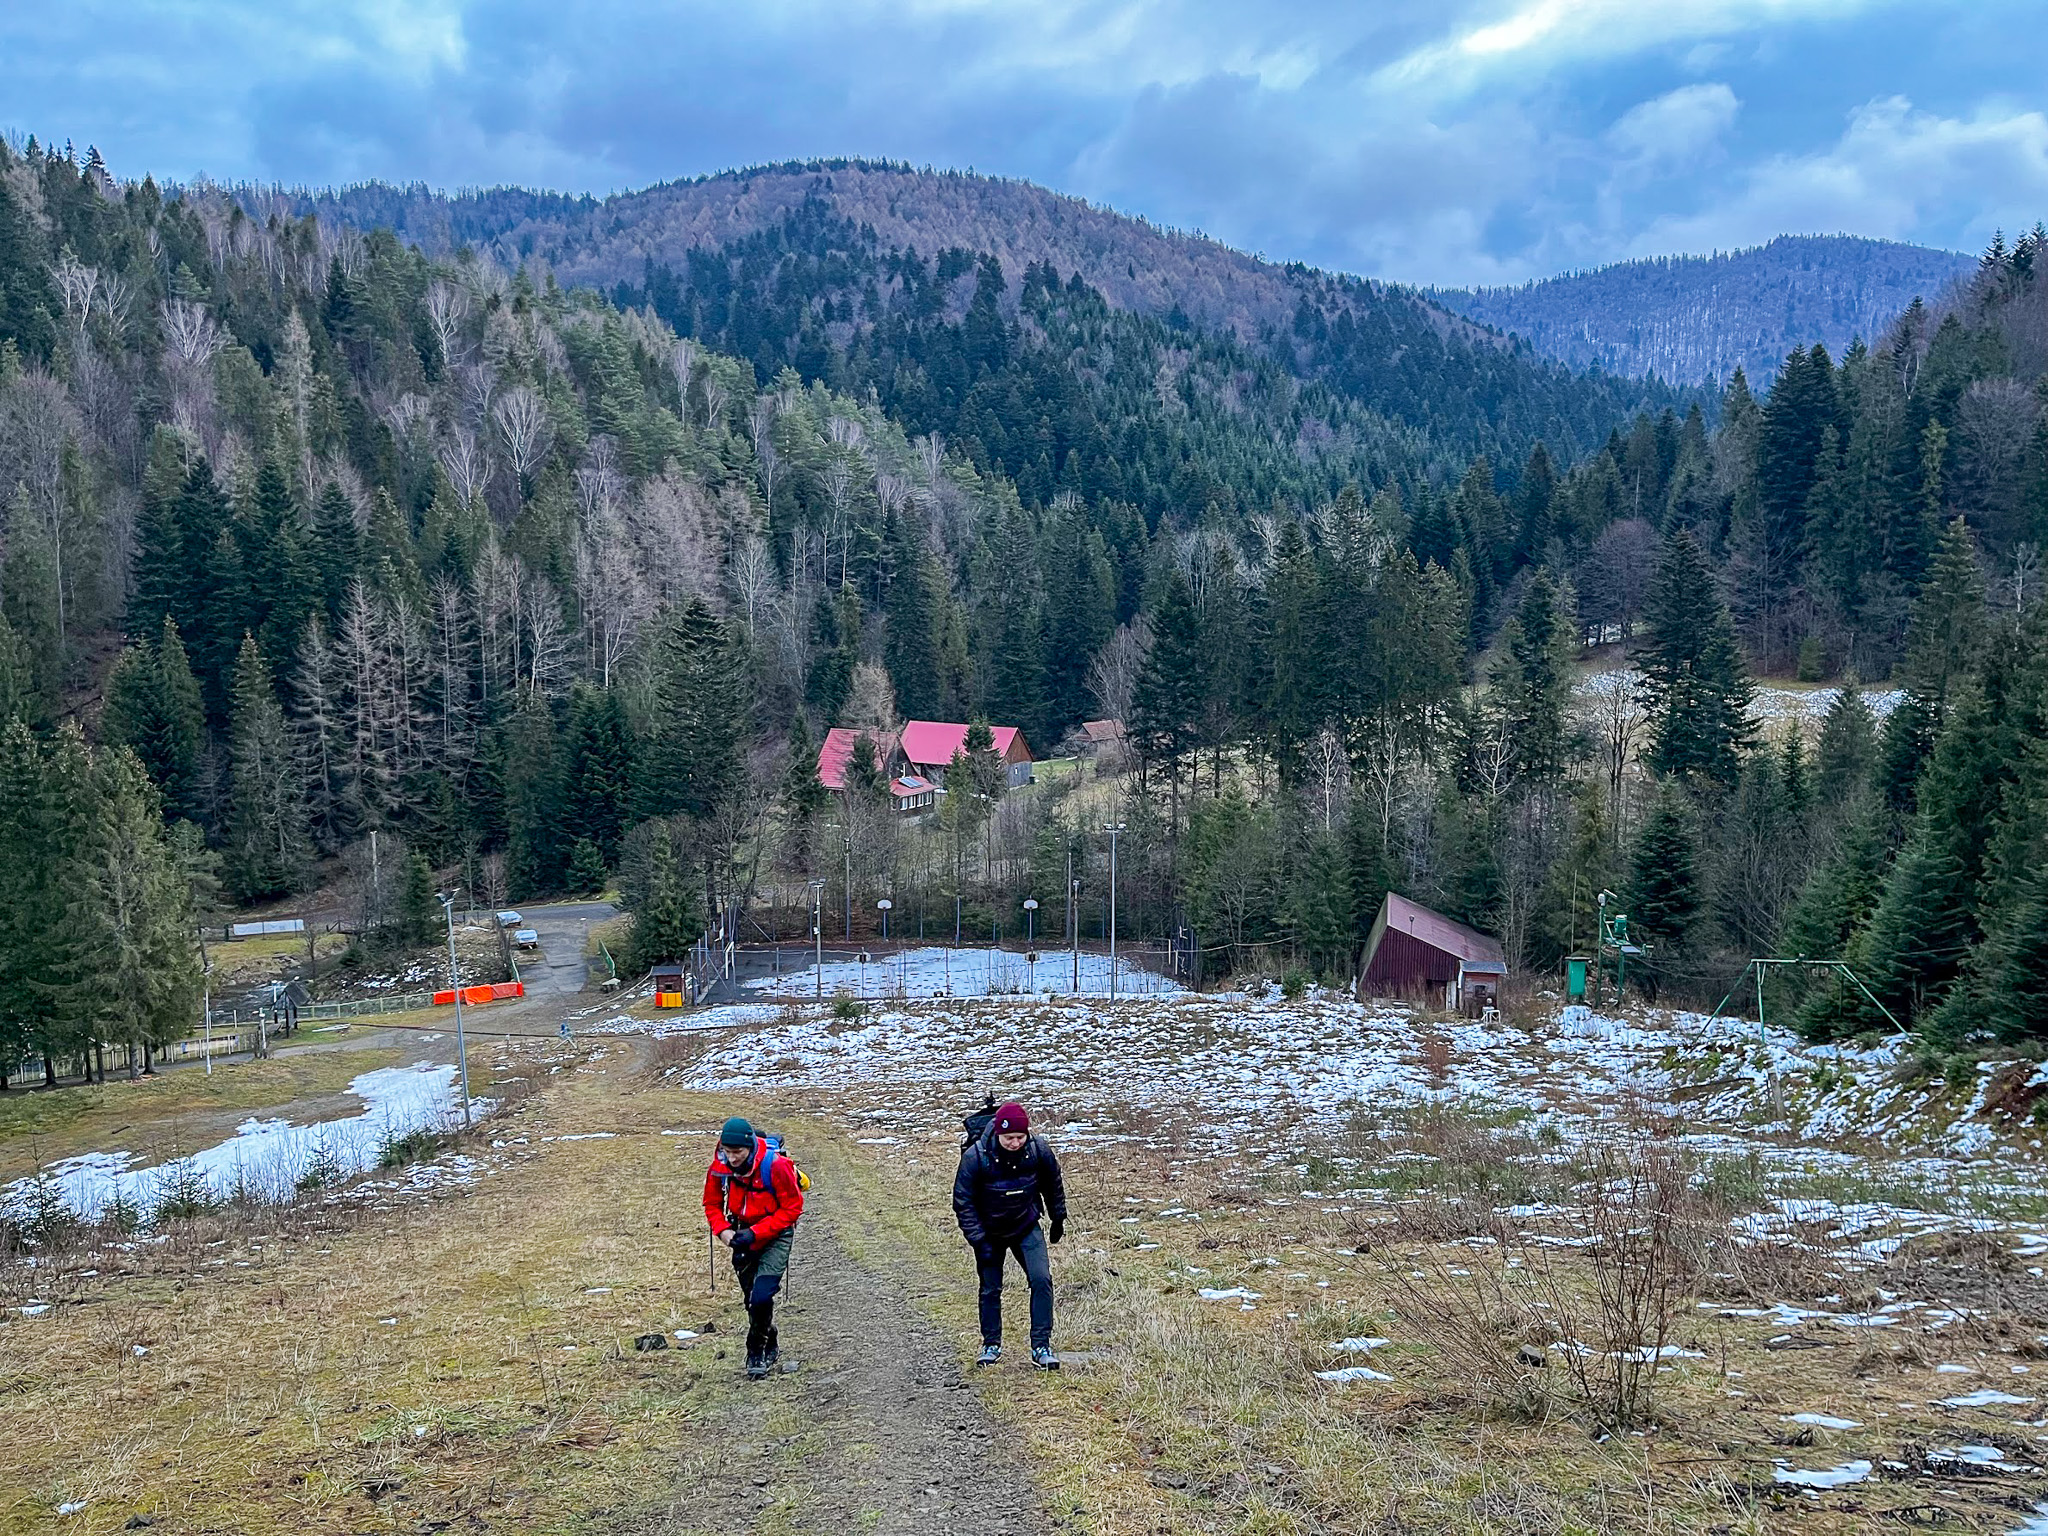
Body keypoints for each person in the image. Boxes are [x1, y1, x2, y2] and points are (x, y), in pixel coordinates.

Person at [953, 1100, 1067, 1369]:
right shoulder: (976, 1157)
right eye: (1009, 1138)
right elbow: (963, 1201)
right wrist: (978, 1240)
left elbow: (1053, 1182)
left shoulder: (1038, 1150)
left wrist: (1058, 1216)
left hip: (1026, 1225)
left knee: (1042, 1280)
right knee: (991, 1288)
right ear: (998, 1134)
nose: (1015, 1143)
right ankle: (991, 1344)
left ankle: (1041, 1346)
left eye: (1020, 1137)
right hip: (989, 1232)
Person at [702, 1116, 805, 1379]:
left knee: (761, 1295)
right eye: (727, 1151)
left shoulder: (776, 1166)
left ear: (750, 1147)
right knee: (751, 1300)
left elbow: (792, 1208)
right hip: (739, 1232)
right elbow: (711, 1204)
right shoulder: (719, 1167)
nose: (732, 1158)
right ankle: (769, 1336)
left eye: (737, 1152)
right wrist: (724, 1232)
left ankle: (755, 1351)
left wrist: (757, 1232)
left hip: (777, 1235)